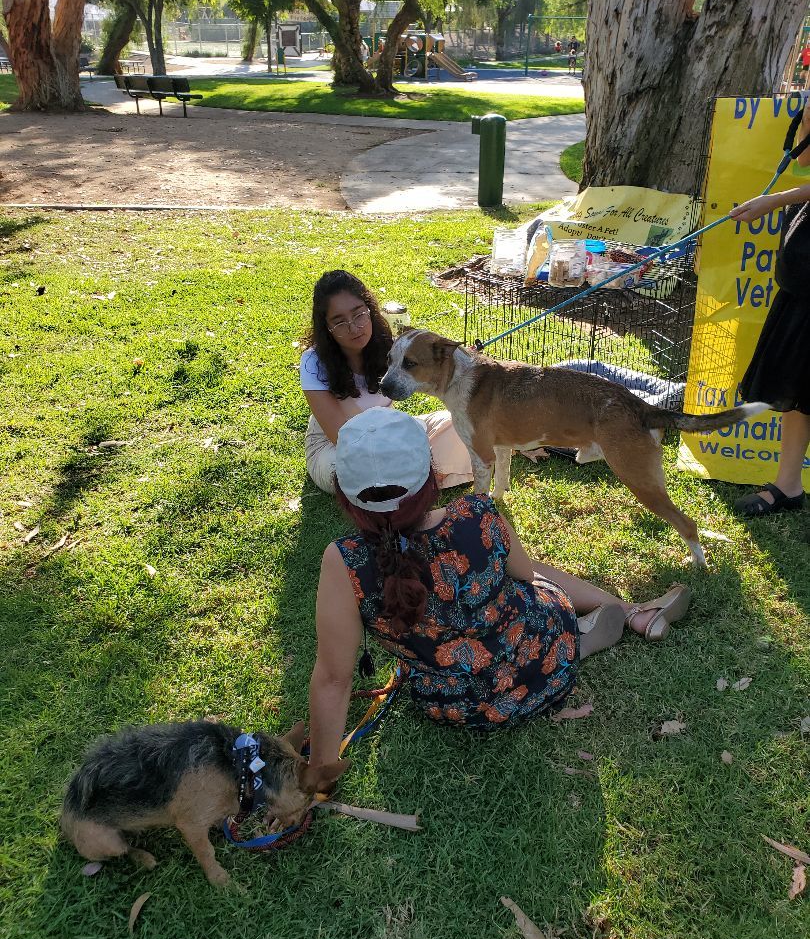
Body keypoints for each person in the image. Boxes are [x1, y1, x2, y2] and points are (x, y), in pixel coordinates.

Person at [306, 409, 691, 765]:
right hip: (530, 657)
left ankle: (592, 634)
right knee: (532, 578)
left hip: (455, 703)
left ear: (346, 495)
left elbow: (333, 679)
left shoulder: (344, 561)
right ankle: (619, 617)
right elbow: (526, 575)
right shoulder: (476, 513)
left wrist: (320, 771)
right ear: (431, 476)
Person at [300, 269, 473, 494]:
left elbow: (430, 369)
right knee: (358, 470)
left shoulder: (391, 347)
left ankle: (408, 478)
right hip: (337, 449)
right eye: (339, 322)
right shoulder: (314, 362)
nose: (354, 327)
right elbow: (341, 438)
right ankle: (418, 476)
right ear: (327, 328)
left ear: (370, 310)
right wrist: (405, 447)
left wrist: (452, 359)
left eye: (359, 314)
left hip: (392, 433)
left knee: (459, 425)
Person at [729, 101, 810, 516]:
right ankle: (788, 487)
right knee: (797, 387)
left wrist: (775, 200)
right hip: (803, 290)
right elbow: (805, 158)